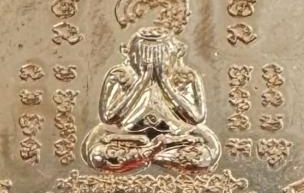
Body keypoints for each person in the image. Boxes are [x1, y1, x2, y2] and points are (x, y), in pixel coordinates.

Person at [82, 27, 220, 172]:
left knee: (205, 155)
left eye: (161, 57)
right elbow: (109, 118)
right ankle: (150, 154)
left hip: (176, 138)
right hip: (126, 137)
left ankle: (146, 156)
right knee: (97, 154)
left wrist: (164, 82)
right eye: (144, 58)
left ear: (178, 52)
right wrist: (142, 81)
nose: (152, 64)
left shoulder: (186, 76)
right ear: (127, 52)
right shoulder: (119, 75)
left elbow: (196, 118)